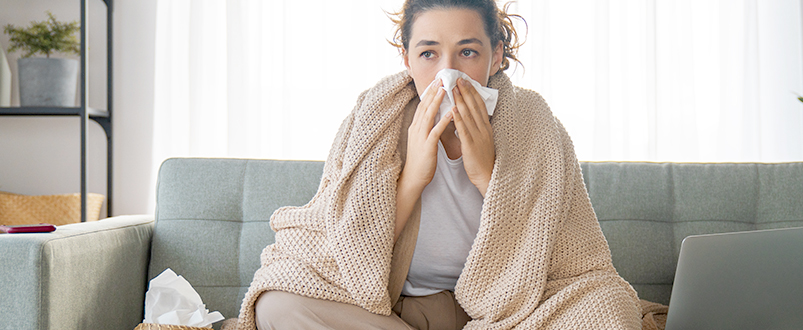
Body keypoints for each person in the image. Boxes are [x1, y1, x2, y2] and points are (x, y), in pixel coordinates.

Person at [223, 1, 645, 329]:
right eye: (429, 53)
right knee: (280, 305)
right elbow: (343, 246)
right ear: (407, 60)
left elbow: (570, 258)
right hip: (394, 310)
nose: (448, 73)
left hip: (512, 314)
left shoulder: (534, 123)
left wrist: (487, 174)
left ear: (495, 56)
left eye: (467, 51)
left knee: (608, 308)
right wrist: (413, 178)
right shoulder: (374, 116)